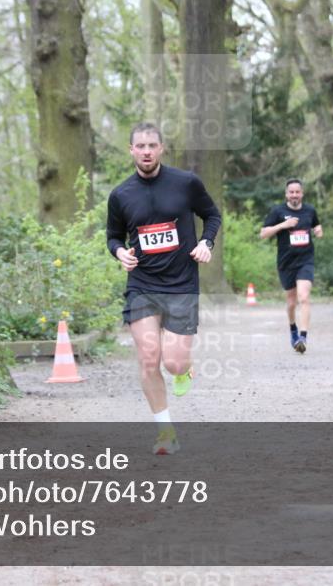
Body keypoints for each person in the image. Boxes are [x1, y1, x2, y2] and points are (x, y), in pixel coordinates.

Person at [106, 122, 221, 455]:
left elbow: (212, 215)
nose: (146, 152)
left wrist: (206, 243)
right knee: (148, 359)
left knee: (173, 363)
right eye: (140, 146)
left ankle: (184, 368)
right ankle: (165, 432)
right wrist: (120, 253)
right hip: (142, 285)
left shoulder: (186, 183)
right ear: (131, 150)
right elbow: (113, 236)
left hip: (182, 284)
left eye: (151, 146)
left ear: (161, 148)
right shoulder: (121, 195)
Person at [259, 179, 323, 353]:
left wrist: (318, 230)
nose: (294, 195)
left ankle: (303, 337)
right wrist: (283, 225)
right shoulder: (278, 211)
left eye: (297, 192)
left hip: (306, 260)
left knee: (304, 297)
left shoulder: (310, 210)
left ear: (302, 193)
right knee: (291, 302)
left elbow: (317, 224)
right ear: (286, 194)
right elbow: (263, 233)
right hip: (286, 263)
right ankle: (293, 328)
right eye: (291, 192)